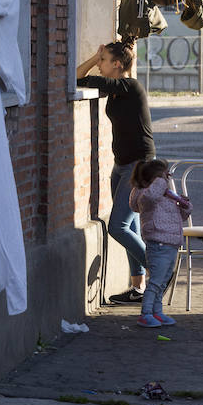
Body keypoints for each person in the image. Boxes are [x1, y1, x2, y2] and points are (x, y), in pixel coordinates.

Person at [76, 39, 155, 303]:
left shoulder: (129, 86)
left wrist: (92, 59)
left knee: (118, 227)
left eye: (103, 60)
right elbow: (80, 77)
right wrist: (96, 54)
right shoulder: (118, 89)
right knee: (130, 224)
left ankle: (160, 271)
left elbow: (81, 78)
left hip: (138, 165)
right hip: (122, 166)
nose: (99, 64)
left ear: (117, 65)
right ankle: (138, 288)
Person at [128, 159, 192, 327]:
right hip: (159, 244)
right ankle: (146, 313)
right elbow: (147, 198)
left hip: (171, 244)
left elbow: (182, 216)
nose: (168, 178)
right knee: (155, 281)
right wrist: (161, 182)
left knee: (162, 281)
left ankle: (157, 312)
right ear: (156, 180)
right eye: (164, 176)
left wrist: (184, 205)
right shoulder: (147, 196)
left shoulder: (166, 197)